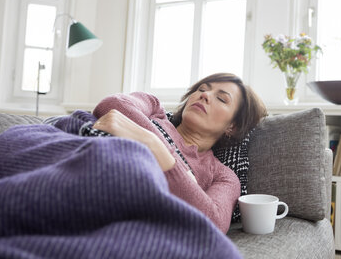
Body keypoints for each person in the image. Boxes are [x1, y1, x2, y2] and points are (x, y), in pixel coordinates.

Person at [92, 73, 267, 233]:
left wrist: (159, 151)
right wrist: (153, 143)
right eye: (202, 89)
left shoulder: (223, 176)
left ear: (232, 126)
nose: (204, 95)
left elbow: (214, 224)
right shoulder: (154, 109)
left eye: (221, 99)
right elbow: (110, 105)